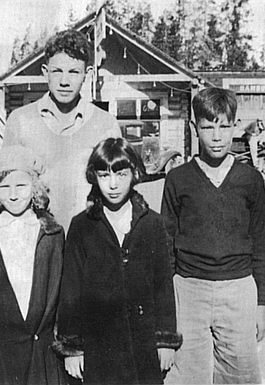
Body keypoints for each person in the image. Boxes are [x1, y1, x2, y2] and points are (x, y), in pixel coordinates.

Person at [161, 87, 265, 384]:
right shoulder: (177, 179)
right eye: (208, 127)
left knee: (240, 374)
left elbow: (261, 243)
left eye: (224, 126)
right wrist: (166, 311)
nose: (217, 136)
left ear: (234, 126)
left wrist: (262, 305)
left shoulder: (250, 179)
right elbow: (166, 246)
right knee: (185, 375)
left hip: (238, 290)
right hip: (188, 290)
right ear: (194, 128)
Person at [54, 137, 182, 384]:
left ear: (134, 174)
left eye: (121, 175)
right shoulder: (82, 226)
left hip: (142, 345)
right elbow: (71, 291)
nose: (113, 185)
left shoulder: (152, 224)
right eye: (104, 175)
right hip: (98, 346)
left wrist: (165, 341)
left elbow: (163, 286)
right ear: (94, 177)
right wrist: (72, 348)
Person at [0, 145, 66, 385]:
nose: (13, 195)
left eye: (21, 186)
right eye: (4, 187)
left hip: (38, 345)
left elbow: (59, 290)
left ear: (35, 188)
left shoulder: (52, 233)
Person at [2, 29, 121, 229]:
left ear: (88, 74)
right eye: (57, 71)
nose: (64, 81)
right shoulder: (20, 121)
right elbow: (6, 188)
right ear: (44, 72)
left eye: (74, 72)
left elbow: (117, 191)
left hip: (89, 240)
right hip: (36, 240)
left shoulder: (106, 125)